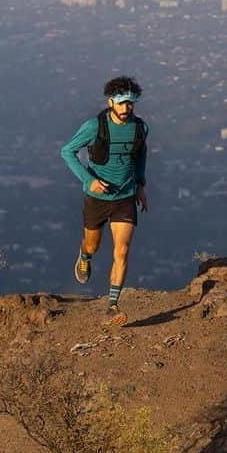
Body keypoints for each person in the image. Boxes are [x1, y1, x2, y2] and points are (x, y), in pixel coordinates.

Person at [60, 76, 149, 326]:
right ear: (111, 102)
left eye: (129, 104)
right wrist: (88, 180)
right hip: (97, 198)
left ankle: (112, 305)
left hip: (125, 196)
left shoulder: (140, 128)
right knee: (93, 245)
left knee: (122, 250)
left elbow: (141, 155)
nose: (125, 109)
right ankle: (85, 257)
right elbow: (67, 151)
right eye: (121, 103)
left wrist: (141, 185)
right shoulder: (93, 127)